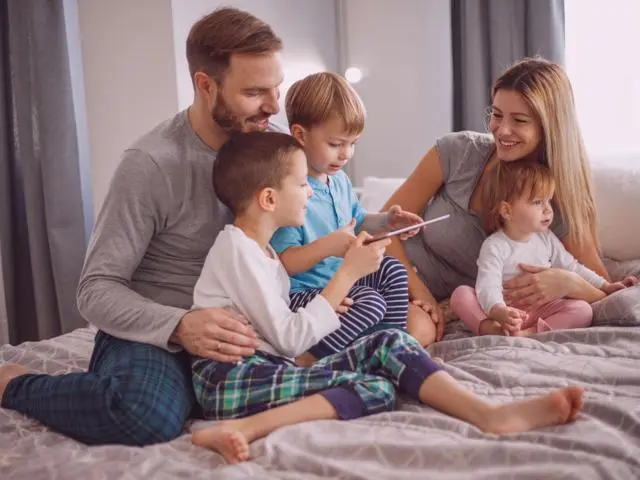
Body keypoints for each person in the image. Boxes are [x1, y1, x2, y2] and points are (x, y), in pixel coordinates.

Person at [189, 130, 585, 465]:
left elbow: (284, 333)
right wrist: (346, 275)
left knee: (391, 344)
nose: (310, 191)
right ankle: (242, 427)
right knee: (376, 387)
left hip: (268, 364)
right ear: (269, 200)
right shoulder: (238, 252)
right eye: (300, 183)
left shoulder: (261, 252)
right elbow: (290, 340)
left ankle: (491, 415)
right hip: (231, 381)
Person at [0, 7, 286, 446]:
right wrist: (181, 326)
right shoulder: (151, 164)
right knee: (145, 415)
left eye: (276, 88)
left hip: (246, 326)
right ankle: (14, 383)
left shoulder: (272, 146)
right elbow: (95, 289)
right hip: (157, 330)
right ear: (205, 85)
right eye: (255, 92)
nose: (273, 105)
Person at [382, 57, 618, 341]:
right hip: (396, 276)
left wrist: (568, 282)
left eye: (519, 120)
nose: (502, 130)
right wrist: (419, 292)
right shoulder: (458, 153)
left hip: (446, 306)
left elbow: (607, 293)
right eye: (496, 114)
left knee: (414, 337)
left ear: (550, 127)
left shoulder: (553, 203)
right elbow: (383, 227)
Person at [269, 72, 431, 362]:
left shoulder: (340, 181)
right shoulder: (291, 190)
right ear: (300, 134)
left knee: (393, 270)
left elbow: (357, 221)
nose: (346, 154)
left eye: (353, 143)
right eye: (336, 144)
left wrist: (387, 222)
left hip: (342, 279)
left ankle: (394, 348)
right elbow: (284, 264)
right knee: (370, 303)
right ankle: (310, 360)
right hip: (303, 293)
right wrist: (329, 246)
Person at [449, 160, 636, 337]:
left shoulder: (546, 238)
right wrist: (499, 310)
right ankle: (492, 329)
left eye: (549, 201)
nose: (548, 210)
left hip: (540, 310)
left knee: (582, 310)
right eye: (538, 202)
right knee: (461, 295)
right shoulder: (495, 246)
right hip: (504, 312)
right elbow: (487, 284)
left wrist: (605, 285)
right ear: (507, 211)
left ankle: (528, 334)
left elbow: (573, 268)